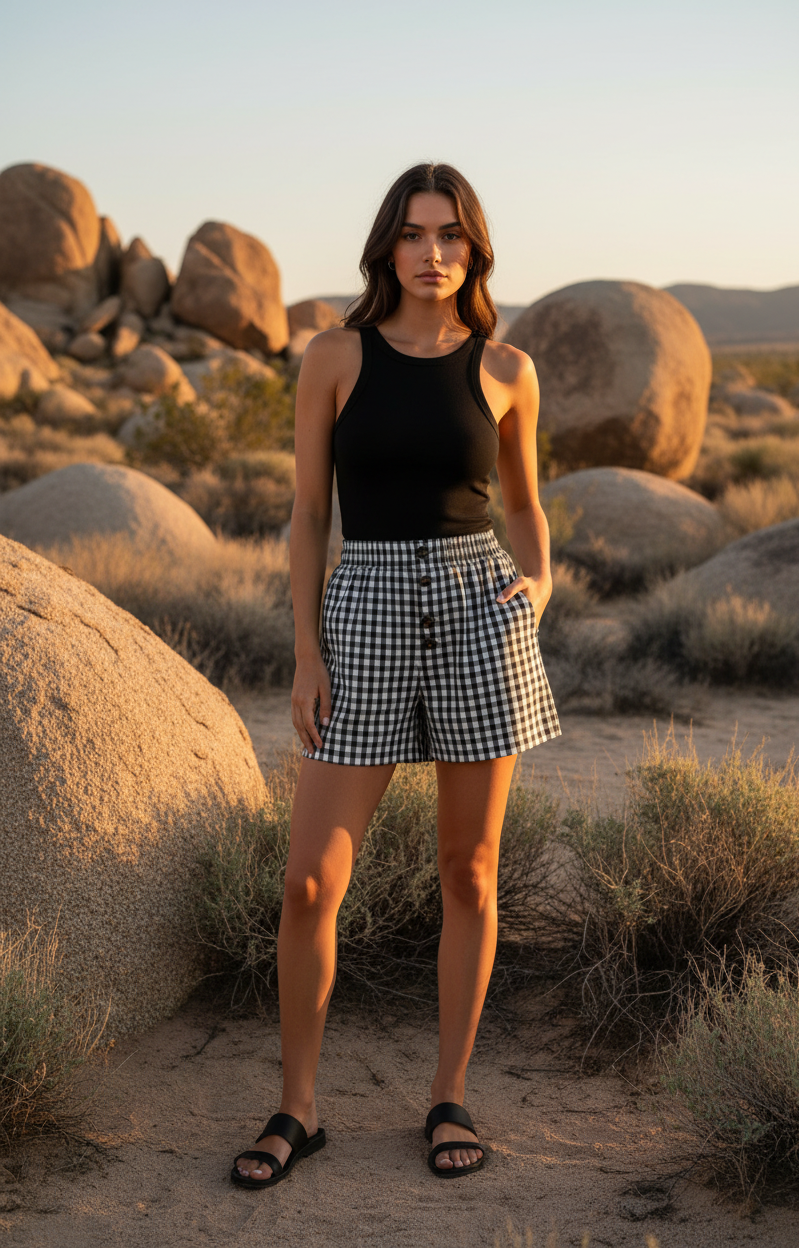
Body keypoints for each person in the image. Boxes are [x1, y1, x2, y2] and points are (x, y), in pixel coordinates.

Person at [231, 162, 560, 1189]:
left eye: (450, 235)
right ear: (387, 246)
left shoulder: (507, 369)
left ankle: (448, 1095)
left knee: (470, 872)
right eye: (414, 234)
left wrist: (541, 583)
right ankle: (298, 1108)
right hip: (364, 607)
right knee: (308, 883)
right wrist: (307, 649)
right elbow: (306, 514)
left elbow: (522, 504)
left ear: (474, 249)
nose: (432, 253)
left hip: (477, 612)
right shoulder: (335, 356)